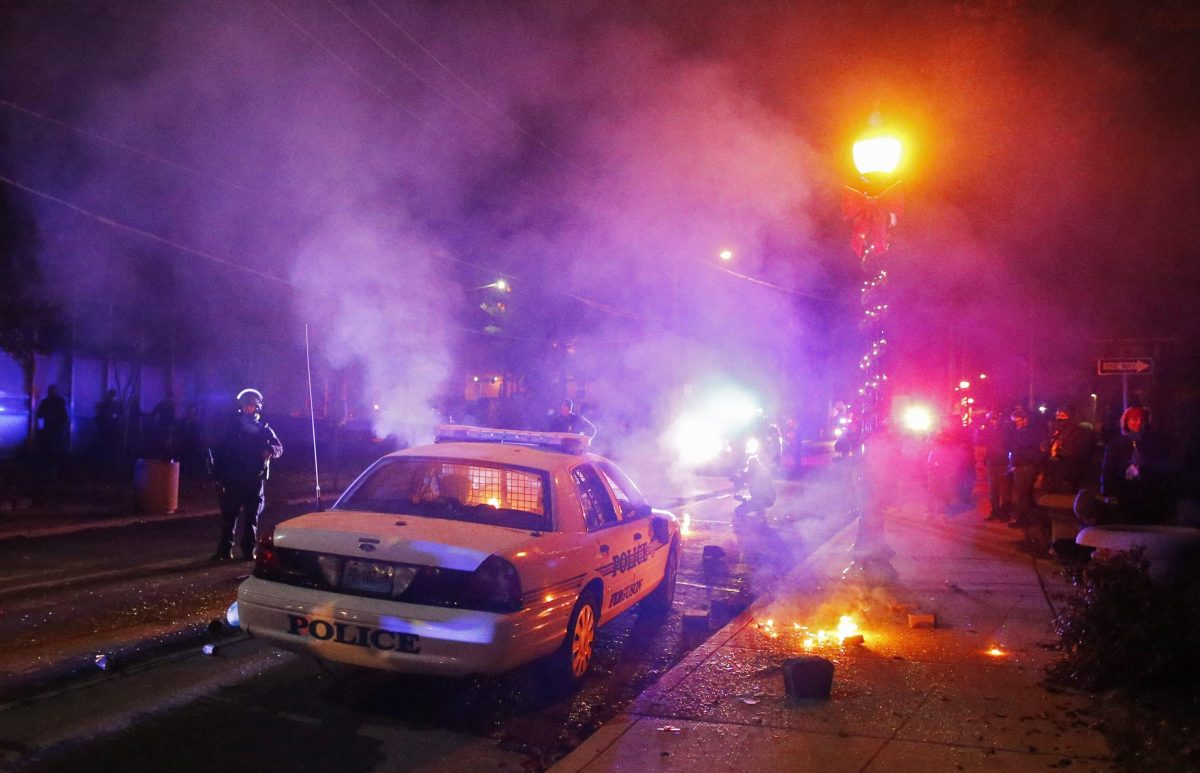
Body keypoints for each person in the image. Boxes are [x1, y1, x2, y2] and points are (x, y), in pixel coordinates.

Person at [210, 388, 283, 561]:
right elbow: (220, 453)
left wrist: (271, 450)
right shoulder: (231, 429)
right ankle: (224, 550)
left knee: (252, 516)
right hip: (233, 478)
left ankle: (248, 550)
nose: (248, 409)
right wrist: (217, 476)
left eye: (251, 406)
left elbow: (279, 447)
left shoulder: (264, 429)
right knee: (230, 515)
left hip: (254, 479)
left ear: (257, 408)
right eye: (246, 406)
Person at [1100, 406, 1169, 524]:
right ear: (1126, 422)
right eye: (1133, 420)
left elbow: (1162, 468)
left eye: (1141, 420)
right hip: (1124, 493)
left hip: (1148, 494)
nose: (1138, 423)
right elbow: (1108, 469)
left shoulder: (1155, 443)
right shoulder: (1116, 444)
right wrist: (1107, 491)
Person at [1006, 407, 1045, 529]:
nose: (1016, 424)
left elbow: (1028, 447)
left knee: (1022, 493)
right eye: (1014, 422)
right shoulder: (1018, 432)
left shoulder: (1032, 432)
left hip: (1027, 466)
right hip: (1020, 465)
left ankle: (1022, 519)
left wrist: (1032, 463)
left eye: (1018, 421)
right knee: (1023, 493)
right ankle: (1026, 518)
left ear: (1025, 419)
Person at [976, 411, 1012, 521]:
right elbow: (979, 439)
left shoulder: (1004, 430)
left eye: (994, 419)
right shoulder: (988, 430)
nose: (993, 421)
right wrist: (980, 428)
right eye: (991, 419)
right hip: (992, 462)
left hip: (1003, 462)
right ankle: (995, 512)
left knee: (1004, 490)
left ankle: (1004, 513)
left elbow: (1009, 444)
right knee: (993, 490)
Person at [731, 455, 776, 527]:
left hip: (763, 499)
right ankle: (759, 521)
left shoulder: (760, 474)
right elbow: (741, 478)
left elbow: (759, 490)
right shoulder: (760, 472)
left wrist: (743, 498)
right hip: (765, 499)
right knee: (754, 511)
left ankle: (749, 526)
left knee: (739, 511)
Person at [35, 385, 70, 474]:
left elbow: (39, 414)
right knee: (58, 447)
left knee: (49, 447)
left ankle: (49, 468)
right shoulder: (60, 401)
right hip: (57, 427)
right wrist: (64, 424)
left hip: (49, 427)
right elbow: (64, 414)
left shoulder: (45, 402)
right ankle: (57, 468)